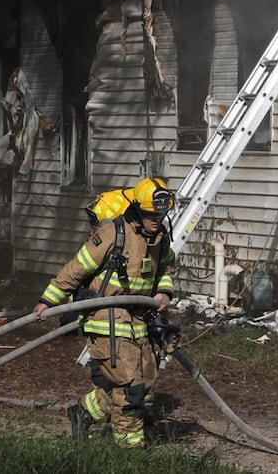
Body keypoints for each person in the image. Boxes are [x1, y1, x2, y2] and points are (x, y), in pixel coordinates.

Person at [33, 176, 178, 448]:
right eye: (150, 215)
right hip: (105, 317)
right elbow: (78, 267)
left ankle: (83, 412)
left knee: (144, 384)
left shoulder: (159, 237)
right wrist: (49, 300)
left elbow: (167, 268)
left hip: (138, 318)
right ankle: (129, 451)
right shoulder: (114, 233)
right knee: (130, 386)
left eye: (160, 214)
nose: (156, 220)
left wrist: (163, 293)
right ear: (137, 210)